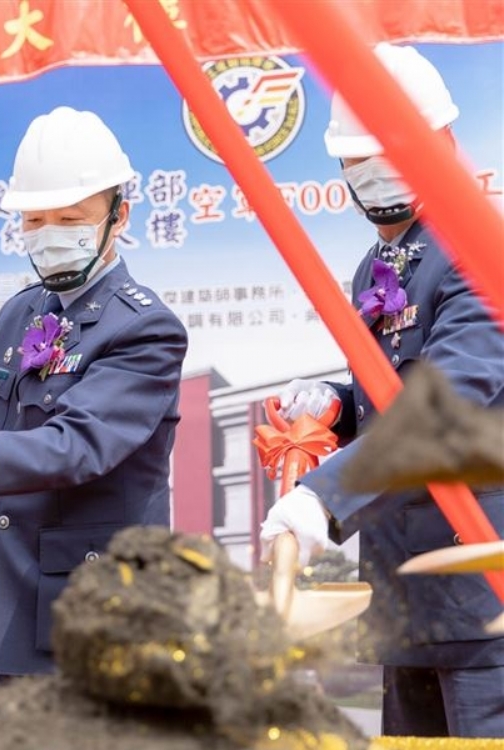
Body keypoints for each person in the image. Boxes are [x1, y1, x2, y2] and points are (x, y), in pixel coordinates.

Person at [0, 107, 188, 687]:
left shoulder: (144, 329)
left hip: (101, 607)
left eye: (71, 218)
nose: (49, 234)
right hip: (17, 594)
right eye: (34, 219)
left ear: (118, 216)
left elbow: (79, 444)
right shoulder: (23, 312)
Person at [259, 44, 504, 738]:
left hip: (483, 587)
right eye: (356, 158)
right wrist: (337, 406)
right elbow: (395, 390)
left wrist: (324, 499)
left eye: (393, 149)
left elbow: (445, 400)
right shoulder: (381, 262)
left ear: (442, 144)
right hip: (406, 588)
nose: (374, 171)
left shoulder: (481, 247)